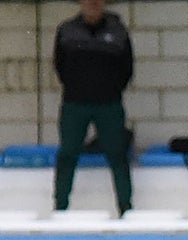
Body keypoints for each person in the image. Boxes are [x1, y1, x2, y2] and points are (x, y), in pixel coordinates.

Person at [52, 0, 134, 216]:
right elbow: (59, 65)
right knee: (67, 154)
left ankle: (126, 209)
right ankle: (60, 209)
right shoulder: (66, 31)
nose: (92, 3)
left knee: (118, 156)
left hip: (109, 105)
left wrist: (110, 90)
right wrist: (77, 87)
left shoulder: (118, 31)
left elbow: (127, 67)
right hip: (74, 105)